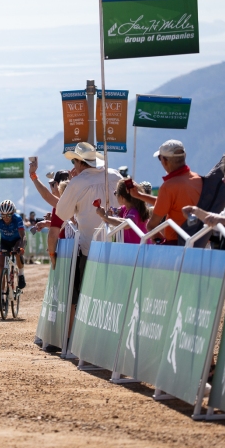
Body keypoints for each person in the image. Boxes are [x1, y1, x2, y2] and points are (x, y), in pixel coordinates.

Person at [54, 142, 123, 346]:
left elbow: (62, 213)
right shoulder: (115, 175)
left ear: (78, 162)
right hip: (119, 245)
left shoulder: (77, 183)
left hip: (89, 246)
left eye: (74, 161)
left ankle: (84, 341)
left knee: (86, 294)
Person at [133, 140, 201, 246]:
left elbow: (152, 225)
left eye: (159, 158)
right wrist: (139, 195)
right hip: (200, 240)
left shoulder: (168, 186)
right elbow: (169, 203)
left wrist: (160, 240)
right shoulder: (198, 179)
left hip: (177, 244)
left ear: (164, 161)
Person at [182, 152, 225, 248]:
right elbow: (219, 220)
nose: (224, 182)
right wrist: (196, 211)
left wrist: (224, 221)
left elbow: (222, 220)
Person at [95, 179, 150, 244]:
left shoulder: (134, 210)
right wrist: (110, 214)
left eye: (116, 193)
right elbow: (117, 214)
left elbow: (128, 224)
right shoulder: (127, 208)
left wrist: (104, 216)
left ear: (122, 197)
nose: (115, 195)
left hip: (138, 250)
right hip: (135, 249)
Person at [0, 200, 26, 290]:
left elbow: (23, 236)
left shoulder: (17, 219)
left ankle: (21, 274)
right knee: (1, 266)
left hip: (17, 240)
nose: (6, 218)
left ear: (13, 213)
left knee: (17, 253)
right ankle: (1, 296)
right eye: (3, 215)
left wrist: (21, 247)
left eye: (8, 215)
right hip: (4, 242)